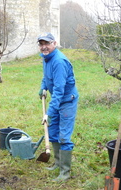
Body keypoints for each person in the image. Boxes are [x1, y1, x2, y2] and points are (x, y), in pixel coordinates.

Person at [37, 32, 79, 181]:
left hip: (66, 100)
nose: (44, 47)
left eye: (47, 44)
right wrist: (43, 87)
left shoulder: (59, 62)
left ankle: (65, 172)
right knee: (53, 131)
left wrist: (48, 112)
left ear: (54, 43)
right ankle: (57, 162)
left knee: (64, 136)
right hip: (57, 99)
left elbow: (60, 91)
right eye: (41, 44)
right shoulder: (46, 58)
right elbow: (46, 77)